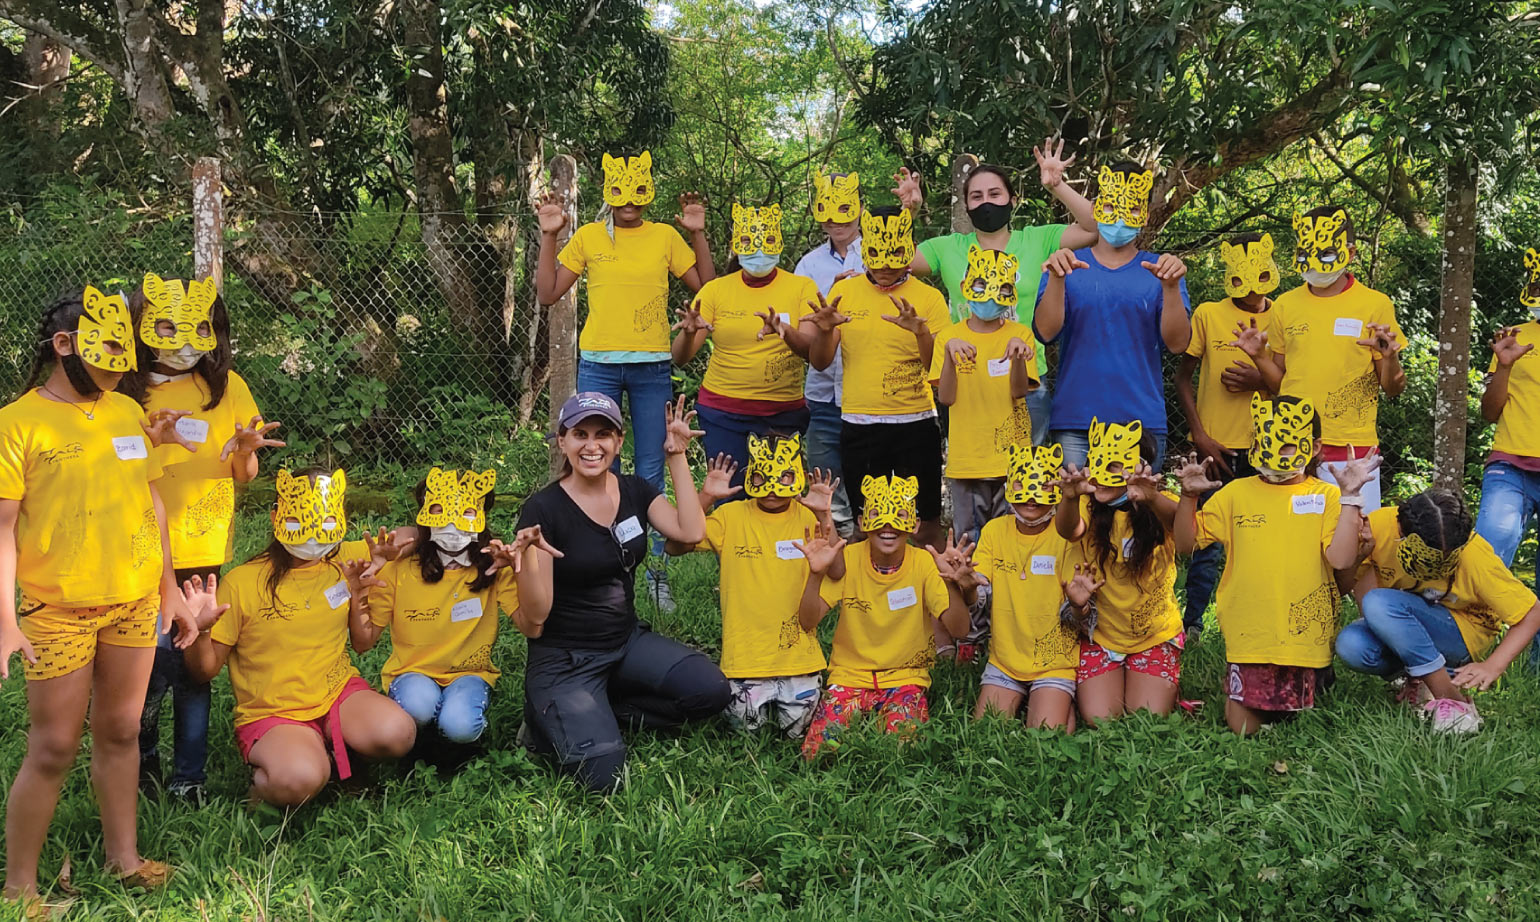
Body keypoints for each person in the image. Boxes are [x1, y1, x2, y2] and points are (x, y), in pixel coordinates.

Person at [0, 287, 199, 912]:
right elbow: (3, 528)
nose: (120, 364)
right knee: (53, 746)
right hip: (57, 611)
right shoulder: (17, 423)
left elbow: (151, 503)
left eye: (124, 350)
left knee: (120, 730)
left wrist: (169, 589)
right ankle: (19, 887)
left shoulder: (126, 412)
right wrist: (5, 620)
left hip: (133, 604)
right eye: (108, 349)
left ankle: (124, 859)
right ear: (65, 345)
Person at [513, 392, 730, 792]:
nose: (591, 445)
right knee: (603, 779)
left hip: (625, 643)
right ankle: (545, 717)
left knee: (711, 692)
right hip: (565, 659)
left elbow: (690, 531)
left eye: (602, 434)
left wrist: (676, 456)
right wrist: (526, 557)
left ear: (618, 441)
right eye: (580, 434)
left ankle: (602, 709)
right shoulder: (543, 509)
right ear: (562, 441)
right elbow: (537, 616)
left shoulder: (634, 490)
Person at [122, 272, 284, 803]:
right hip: (141, 550)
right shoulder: (124, 390)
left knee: (194, 666)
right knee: (149, 666)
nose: (186, 341)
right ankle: (141, 761)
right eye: (169, 327)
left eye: (198, 328)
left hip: (205, 549)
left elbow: (245, 473)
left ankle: (189, 777)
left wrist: (245, 450)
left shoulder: (227, 386)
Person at [534, 150, 715, 611]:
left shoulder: (665, 236)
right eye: (619, 189)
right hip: (599, 364)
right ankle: (606, 568)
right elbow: (548, 293)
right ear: (607, 190)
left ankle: (653, 573)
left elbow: (707, 288)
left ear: (649, 190)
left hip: (652, 366)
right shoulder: (590, 236)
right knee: (599, 467)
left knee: (652, 468)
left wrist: (697, 234)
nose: (629, 200)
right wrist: (550, 236)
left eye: (638, 190)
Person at [181, 468, 417, 806]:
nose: (312, 532)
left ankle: (333, 750)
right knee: (299, 779)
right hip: (273, 711)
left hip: (336, 693)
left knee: (397, 733)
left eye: (325, 520)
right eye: (297, 519)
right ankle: (279, 772)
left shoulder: (346, 560)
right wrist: (201, 631)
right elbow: (203, 671)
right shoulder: (242, 582)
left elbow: (412, 535)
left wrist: (387, 551)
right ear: (276, 516)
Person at [1172, 395, 1366, 735]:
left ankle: (1315, 683)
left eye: (1287, 444)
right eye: (1263, 442)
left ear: (1313, 447)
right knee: (1242, 727)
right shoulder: (1236, 494)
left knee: (1301, 721)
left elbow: (1341, 559)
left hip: (1304, 641)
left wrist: (1350, 498)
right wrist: (1188, 497)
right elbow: (1186, 545)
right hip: (1250, 638)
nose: (1274, 452)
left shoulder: (1327, 496)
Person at [894, 141, 1098, 444]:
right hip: (966, 379)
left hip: (1027, 377)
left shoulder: (1038, 239)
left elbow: (1094, 228)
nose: (986, 202)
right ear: (967, 206)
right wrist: (908, 212)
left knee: (1026, 469)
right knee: (972, 466)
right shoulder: (947, 247)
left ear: (1012, 200)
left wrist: (1056, 185)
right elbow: (896, 260)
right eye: (976, 196)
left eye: (995, 194)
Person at [665, 436, 840, 738]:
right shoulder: (731, 516)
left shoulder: (807, 517)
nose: (771, 486)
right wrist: (706, 497)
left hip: (798, 661)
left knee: (796, 731)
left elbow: (837, 571)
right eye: (761, 476)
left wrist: (825, 515)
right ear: (750, 475)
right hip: (744, 662)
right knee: (746, 734)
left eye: (784, 476)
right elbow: (675, 546)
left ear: (798, 475)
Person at [1233, 206, 1405, 510]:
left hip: (1352, 449)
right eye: (1304, 252)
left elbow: (1393, 388)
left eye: (1325, 253)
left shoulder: (1375, 305)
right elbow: (1280, 384)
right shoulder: (1285, 305)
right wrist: (1259, 357)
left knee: (1359, 534)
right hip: (1293, 444)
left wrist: (1389, 358)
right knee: (1299, 534)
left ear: (1350, 253)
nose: (1313, 260)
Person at [1335, 489, 1540, 734]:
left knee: (1378, 602)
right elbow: (1349, 586)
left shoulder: (1474, 554)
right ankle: (1421, 677)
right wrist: (1359, 556)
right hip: (1404, 619)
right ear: (1400, 531)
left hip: (1461, 631)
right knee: (1352, 644)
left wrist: (1493, 666)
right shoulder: (1379, 527)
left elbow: (1532, 612)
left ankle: (1452, 699)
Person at [795, 475, 971, 758]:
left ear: (914, 524)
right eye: (877, 515)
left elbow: (960, 630)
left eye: (899, 516)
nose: (888, 525)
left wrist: (950, 582)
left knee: (905, 753)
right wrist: (815, 575)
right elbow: (808, 622)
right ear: (862, 522)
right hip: (850, 677)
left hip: (905, 678)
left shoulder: (924, 563)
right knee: (818, 754)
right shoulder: (848, 558)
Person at [808, 206, 950, 549]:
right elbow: (821, 362)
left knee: (924, 524)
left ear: (910, 248)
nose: (885, 266)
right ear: (864, 249)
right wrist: (824, 330)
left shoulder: (929, 298)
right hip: (860, 424)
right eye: (876, 255)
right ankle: (866, 583)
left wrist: (921, 333)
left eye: (895, 255)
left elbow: (937, 371)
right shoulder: (846, 292)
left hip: (915, 423)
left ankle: (929, 580)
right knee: (865, 524)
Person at [1033, 163, 1191, 469]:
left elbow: (1177, 344)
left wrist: (1171, 288)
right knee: (1076, 502)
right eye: (1109, 206)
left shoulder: (1162, 271)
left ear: (1145, 215)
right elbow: (1046, 333)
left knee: (1139, 502)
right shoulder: (1065, 265)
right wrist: (1056, 279)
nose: (1119, 217)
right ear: (1096, 208)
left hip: (1142, 424)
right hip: (1076, 421)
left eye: (1132, 209)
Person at [351, 469, 522, 751]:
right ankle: (418, 738)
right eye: (440, 511)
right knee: (418, 707)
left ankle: (455, 742)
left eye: (465, 512)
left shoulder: (494, 568)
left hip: (469, 673)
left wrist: (522, 569)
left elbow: (530, 623)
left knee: (460, 725)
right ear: (424, 515)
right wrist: (359, 593)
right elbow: (364, 642)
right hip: (412, 671)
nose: (452, 523)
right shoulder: (399, 568)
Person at [930, 245, 1038, 660]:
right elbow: (946, 398)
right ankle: (971, 635)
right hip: (967, 462)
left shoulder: (1020, 334)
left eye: (1001, 289)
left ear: (1011, 292)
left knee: (1009, 548)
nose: (990, 296)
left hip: (1014, 466)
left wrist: (1018, 357)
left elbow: (1018, 391)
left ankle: (1005, 629)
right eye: (980, 286)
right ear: (965, 286)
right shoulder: (949, 336)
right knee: (969, 548)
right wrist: (950, 356)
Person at [1173, 234, 1279, 639]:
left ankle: (1258, 622)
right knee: (1207, 540)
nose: (1251, 288)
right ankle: (1194, 622)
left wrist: (1258, 379)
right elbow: (1183, 378)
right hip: (1214, 447)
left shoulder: (1283, 315)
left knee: (1262, 538)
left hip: (1268, 451)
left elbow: (1290, 384)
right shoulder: (1208, 314)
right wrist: (1199, 434)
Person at [672, 204, 821, 491]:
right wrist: (689, 334)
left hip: (783, 416)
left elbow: (813, 352)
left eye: (768, 240)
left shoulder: (802, 287)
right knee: (728, 494)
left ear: (779, 240)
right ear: (735, 244)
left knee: (777, 494)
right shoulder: (716, 290)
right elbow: (680, 357)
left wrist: (785, 331)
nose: (759, 250)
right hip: (723, 414)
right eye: (748, 242)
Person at [1053, 418, 1184, 722]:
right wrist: (1070, 497)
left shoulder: (1162, 504)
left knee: (1148, 716)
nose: (1099, 473)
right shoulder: (1087, 505)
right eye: (1095, 461)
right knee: (1100, 718)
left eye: (1112, 466)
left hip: (1155, 634)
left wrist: (1152, 497)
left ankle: (1158, 679)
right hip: (1103, 636)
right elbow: (1068, 529)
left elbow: (1183, 527)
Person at [959, 444, 1079, 730]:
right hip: (1005, 661)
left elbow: (1075, 610)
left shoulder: (1066, 534)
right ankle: (1047, 701)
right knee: (986, 732)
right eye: (1021, 485)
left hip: (1054, 661)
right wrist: (966, 586)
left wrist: (1079, 603)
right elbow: (979, 593)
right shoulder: (994, 531)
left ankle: (1058, 699)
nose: (1032, 497)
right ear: (1009, 485)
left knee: (1046, 735)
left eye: (1043, 486)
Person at [1474, 248, 1540, 664]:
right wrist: (1504, 367)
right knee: (1486, 555)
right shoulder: (1515, 335)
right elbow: (1489, 412)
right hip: (1511, 465)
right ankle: (1465, 650)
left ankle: (1533, 670)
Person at [793, 171, 864, 535]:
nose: (836, 219)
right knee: (828, 496)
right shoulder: (808, 266)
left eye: (844, 208)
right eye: (827, 210)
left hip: (872, 399)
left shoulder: (882, 254)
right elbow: (806, 340)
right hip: (823, 397)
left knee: (870, 496)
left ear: (860, 206)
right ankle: (836, 563)